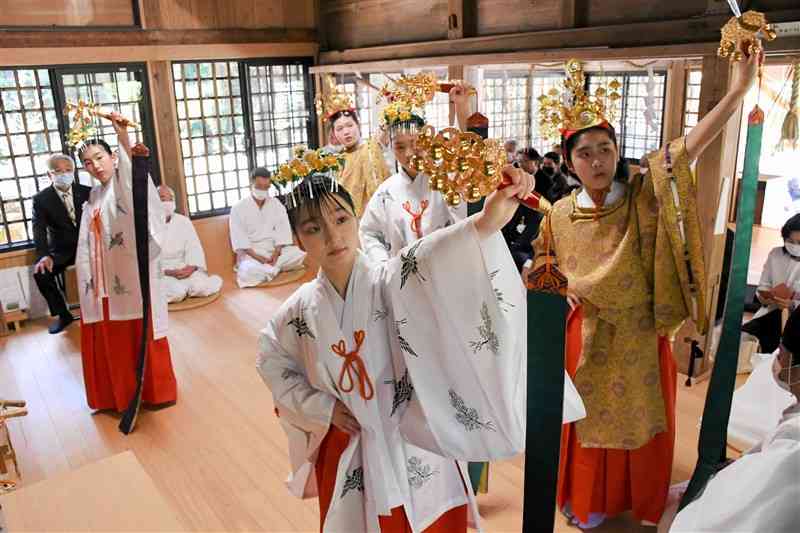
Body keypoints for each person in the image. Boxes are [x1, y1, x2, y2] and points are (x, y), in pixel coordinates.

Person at [257, 151, 585, 532]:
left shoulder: (388, 279)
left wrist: (488, 218)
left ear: (356, 218)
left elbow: (432, 255)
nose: (332, 236)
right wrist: (322, 408)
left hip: (412, 438)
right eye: (313, 228)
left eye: (341, 219)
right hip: (351, 444)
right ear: (298, 239)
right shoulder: (298, 311)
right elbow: (270, 360)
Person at [528, 54, 759, 528]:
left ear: (617, 151)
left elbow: (685, 151)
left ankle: (641, 499)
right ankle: (588, 500)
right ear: (568, 161)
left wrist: (737, 91)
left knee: (639, 421)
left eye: (604, 149)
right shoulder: (558, 213)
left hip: (638, 331)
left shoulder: (643, 196)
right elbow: (543, 265)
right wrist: (558, 285)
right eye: (584, 152)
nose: (596, 160)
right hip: (584, 333)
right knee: (585, 422)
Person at [75, 115, 177, 412]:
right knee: (111, 339)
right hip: (101, 280)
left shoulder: (122, 183)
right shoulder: (94, 195)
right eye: (88, 162)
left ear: (111, 157)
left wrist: (121, 134)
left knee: (136, 332)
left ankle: (152, 394)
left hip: (128, 276)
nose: (96, 166)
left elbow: (132, 174)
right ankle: (113, 395)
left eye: (99, 157)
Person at [668, 308, 800, 532]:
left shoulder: (791, 454)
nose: (776, 360)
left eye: (781, 355)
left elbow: (720, 522)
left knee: (674, 506)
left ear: (797, 370)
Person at [359, 86, 466, 264]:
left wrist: (461, 107)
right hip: (403, 274)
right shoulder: (386, 191)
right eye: (400, 146)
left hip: (446, 266)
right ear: (391, 148)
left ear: (427, 140)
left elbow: (465, 149)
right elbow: (368, 232)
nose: (409, 153)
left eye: (415, 143)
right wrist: (384, 265)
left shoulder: (445, 178)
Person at [32, 153, 91, 334]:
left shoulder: (88, 191)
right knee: (41, 273)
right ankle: (63, 315)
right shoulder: (41, 199)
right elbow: (39, 229)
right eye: (58, 171)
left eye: (68, 170)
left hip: (89, 246)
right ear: (50, 175)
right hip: (62, 250)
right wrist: (43, 255)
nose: (64, 174)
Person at [318, 75, 391, 217]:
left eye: (349, 125)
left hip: (380, 216)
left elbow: (385, 126)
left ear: (358, 126)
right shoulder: (337, 161)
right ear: (334, 134)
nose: (346, 132)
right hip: (351, 221)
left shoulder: (371, 147)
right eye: (339, 129)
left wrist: (391, 106)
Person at [229, 167, 306, 288]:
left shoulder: (276, 204)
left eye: (266, 187)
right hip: (252, 253)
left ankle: (269, 269)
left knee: (298, 254)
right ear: (251, 184)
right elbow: (240, 238)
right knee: (248, 271)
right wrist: (259, 258)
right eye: (259, 186)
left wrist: (275, 254)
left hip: (274, 251)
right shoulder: (238, 208)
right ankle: (273, 269)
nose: (262, 190)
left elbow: (283, 231)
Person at [741, 213, 800, 353]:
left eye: (799, 242)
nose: (794, 246)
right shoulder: (776, 254)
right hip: (771, 312)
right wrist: (763, 296)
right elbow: (764, 285)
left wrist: (792, 305)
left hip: (796, 320)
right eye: (790, 241)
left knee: (778, 349)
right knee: (744, 338)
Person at [158, 185, 222, 303]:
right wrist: (169, 272)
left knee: (201, 287)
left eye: (171, 199)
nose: (167, 202)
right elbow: (149, 260)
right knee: (177, 293)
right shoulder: (148, 225)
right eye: (162, 199)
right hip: (163, 272)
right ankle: (183, 290)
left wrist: (191, 268)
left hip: (184, 267)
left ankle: (188, 288)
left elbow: (194, 248)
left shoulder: (184, 221)